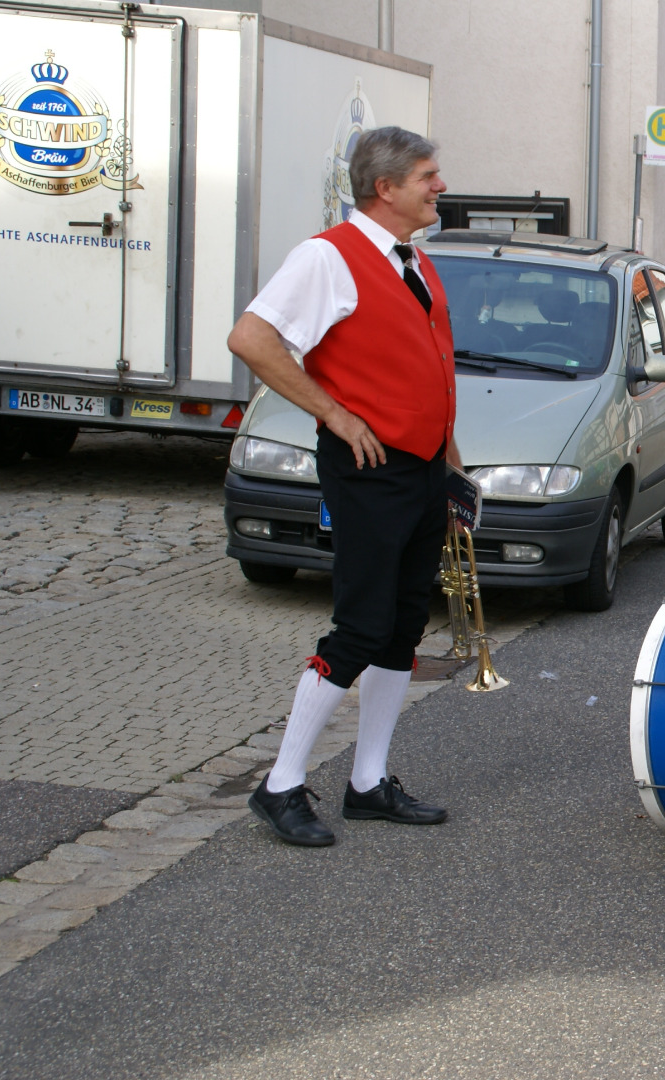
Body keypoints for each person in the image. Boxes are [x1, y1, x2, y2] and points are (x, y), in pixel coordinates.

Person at [227, 126, 456, 846]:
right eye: (427, 176)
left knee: (403, 624)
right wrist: (332, 412)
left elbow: (431, 370)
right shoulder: (328, 256)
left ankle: (368, 782)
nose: (439, 186)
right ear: (384, 188)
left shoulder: (414, 260)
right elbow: (251, 339)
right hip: (369, 470)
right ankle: (280, 784)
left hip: (422, 468)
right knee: (361, 625)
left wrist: (451, 467)